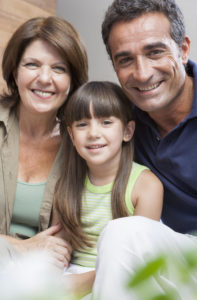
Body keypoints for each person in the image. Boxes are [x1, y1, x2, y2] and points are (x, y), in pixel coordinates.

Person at [91, 0, 197, 299]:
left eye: (155, 52)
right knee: (122, 234)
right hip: (171, 252)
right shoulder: (120, 123)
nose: (141, 73)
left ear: (183, 49)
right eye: (125, 60)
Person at [53, 81, 163, 298]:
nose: (94, 133)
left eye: (106, 122)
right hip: (71, 276)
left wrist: (84, 283)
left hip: (124, 277)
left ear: (127, 131)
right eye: (82, 124)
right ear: (72, 135)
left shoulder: (146, 185)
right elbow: (59, 248)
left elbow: (140, 259)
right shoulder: (65, 185)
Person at [0, 16, 88, 270]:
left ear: (72, 81)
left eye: (59, 68)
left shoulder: (83, 145)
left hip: (37, 277)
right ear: (15, 72)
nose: (45, 78)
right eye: (32, 64)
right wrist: (23, 247)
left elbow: (62, 249)